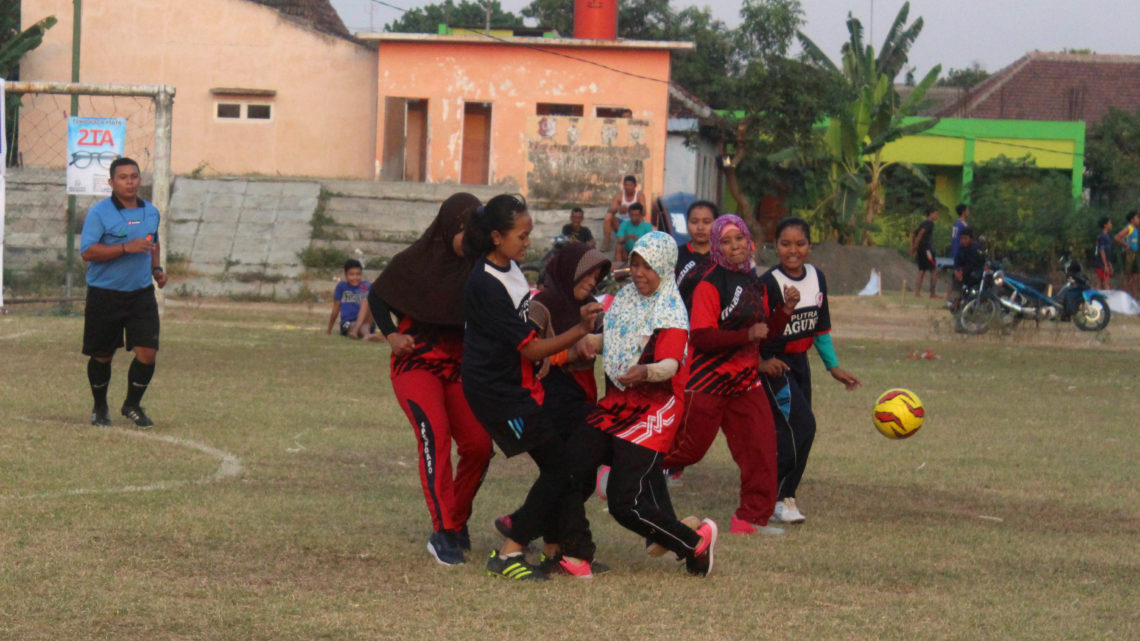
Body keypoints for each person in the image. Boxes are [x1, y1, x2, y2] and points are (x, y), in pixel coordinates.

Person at [461, 194, 601, 580]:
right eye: (521, 236)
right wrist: (579, 330)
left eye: (529, 234)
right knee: (558, 468)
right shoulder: (485, 284)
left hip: (516, 386)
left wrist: (542, 353)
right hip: (498, 394)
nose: (527, 242)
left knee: (559, 467)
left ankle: (554, 548)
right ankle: (509, 552)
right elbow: (530, 347)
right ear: (496, 236)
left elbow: (526, 334)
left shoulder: (510, 268)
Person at [568, 232, 720, 576]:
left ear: (664, 268)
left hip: (653, 409)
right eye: (635, 264)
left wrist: (645, 371)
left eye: (647, 266)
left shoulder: (671, 311)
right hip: (617, 402)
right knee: (572, 465)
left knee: (625, 502)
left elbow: (670, 365)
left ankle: (694, 543)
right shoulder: (626, 298)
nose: (638, 273)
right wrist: (588, 341)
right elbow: (619, 339)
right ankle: (561, 542)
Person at [367, 193, 493, 567]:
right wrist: (391, 334)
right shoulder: (414, 260)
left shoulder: (479, 264)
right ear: (450, 226)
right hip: (416, 364)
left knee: (479, 445)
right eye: (465, 231)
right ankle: (443, 531)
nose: (470, 240)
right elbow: (378, 295)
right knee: (434, 434)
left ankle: (456, 518)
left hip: (459, 366)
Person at [663, 215, 798, 536]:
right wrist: (746, 335)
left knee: (761, 448)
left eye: (739, 238)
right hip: (708, 381)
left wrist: (785, 311)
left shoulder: (754, 282)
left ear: (749, 241)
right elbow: (701, 337)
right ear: (716, 247)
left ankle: (750, 519)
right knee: (688, 451)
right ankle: (623, 466)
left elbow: (765, 333)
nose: (735, 246)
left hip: (745, 382)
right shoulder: (710, 283)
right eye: (726, 241)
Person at [494, 242, 611, 571]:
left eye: (597, 275)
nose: (592, 280)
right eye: (587, 273)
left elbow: (608, 340)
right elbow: (528, 351)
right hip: (552, 399)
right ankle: (561, 546)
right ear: (569, 269)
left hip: (580, 395)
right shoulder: (542, 305)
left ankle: (548, 540)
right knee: (569, 472)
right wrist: (570, 352)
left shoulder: (590, 307)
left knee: (575, 474)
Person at [760, 217, 862, 525]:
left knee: (797, 431)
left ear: (809, 246)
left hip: (800, 365)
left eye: (800, 243)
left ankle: (784, 495)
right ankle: (775, 497)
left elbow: (820, 328)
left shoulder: (817, 277)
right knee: (802, 427)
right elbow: (758, 331)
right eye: (785, 244)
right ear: (775, 246)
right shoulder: (768, 283)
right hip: (775, 366)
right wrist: (762, 362)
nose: (793, 250)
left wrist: (833, 367)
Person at [79, 157, 167, 429]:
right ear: (111, 182)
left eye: (134, 176)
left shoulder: (151, 212)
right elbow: (88, 252)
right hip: (105, 294)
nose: (130, 182)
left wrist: (156, 269)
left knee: (147, 353)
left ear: (140, 179)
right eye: (123, 177)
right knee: (102, 355)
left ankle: (132, 404)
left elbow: (153, 242)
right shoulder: (99, 213)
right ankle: (100, 406)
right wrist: (125, 247)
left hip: (140, 294)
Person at [674, 200, 719, 309]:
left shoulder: (723, 256)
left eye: (706, 222)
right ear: (687, 223)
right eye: (694, 222)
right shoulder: (675, 255)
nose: (700, 227)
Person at [603, 175, 647, 253]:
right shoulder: (620, 195)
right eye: (626, 185)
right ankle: (607, 241)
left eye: (630, 185)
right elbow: (610, 210)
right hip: (621, 224)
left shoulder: (639, 195)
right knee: (608, 216)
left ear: (635, 186)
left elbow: (644, 212)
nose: (628, 187)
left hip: (634, 223)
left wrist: (632, 210)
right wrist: (618, 209)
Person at [327, 259, 370, 337]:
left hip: (366, 323)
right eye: (351, 274)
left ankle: (361, 332)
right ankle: (363, 333)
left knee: (366, 302)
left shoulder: (365, 285)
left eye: (358, 274)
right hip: (347, 323)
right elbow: (336, 308)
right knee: (350, 325)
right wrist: (329, 329)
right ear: (346, 275)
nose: (355, 277)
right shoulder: (342, 286)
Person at [911, 207, 939, 298]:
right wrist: (915, 247)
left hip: (920, 250)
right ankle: (932, 293)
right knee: (934, 270)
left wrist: (914, 246)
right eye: (936, 214)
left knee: (922, 271)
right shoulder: (929, 223)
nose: (937, 216)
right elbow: (920, 234)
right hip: (927, 250)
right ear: (931, 214)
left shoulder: (923, 223)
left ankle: (917, 293)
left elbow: (914, 234)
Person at [952, 228, 985, 302]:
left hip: (976, 272)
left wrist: (962, 271)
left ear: (971, 239)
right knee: (955, 276)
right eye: (961, 238)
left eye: (965, 238)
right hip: (964, 272)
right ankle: (956, 301)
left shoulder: (976, 249)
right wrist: (957, 271)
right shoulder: (961, 249)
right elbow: (957, 262)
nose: (963, 241)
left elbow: (975, 264)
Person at [946, 204, 970, 305]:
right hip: (960, 252)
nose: (968, 212)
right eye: (967, 210)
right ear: (964, 211)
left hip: (955, 251)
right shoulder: (963, 225)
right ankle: (952, 300)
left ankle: (950, 299)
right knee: (958, 276)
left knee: (955, 276)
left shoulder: (956, 223)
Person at [1114, 210, 1139, 298]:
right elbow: (1117, 237)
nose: (1138, 219)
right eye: (1137, 217)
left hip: (1133, 254)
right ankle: (1122, 298)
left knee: (1135, 276)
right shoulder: (1129, 228)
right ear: (1132, 220)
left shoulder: (1135, 229)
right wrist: (1125, 244)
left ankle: (1133, 298)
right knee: (1127, 276)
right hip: (1128, 254)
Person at [1094, 216, 1114, 290]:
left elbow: (1107, 252)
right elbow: (1102, 251)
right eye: (1110, 223)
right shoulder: (1102, 237)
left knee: (1101, 282)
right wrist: (1105, 265)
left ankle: (1098, 296)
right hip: (1101, 264)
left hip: (1104, 263)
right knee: (1105, 282)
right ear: (1105, 225)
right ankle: (1104, 296)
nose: (1111, 224)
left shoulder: (1106, 236)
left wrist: (1109, 264)